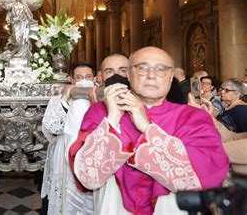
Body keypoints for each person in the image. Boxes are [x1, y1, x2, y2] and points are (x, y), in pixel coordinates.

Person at [69, 46, 229, 214]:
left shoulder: (193, 117)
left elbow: (205, 176)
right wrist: (113, 118)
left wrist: (146, 126)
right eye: (142, 68)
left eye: (161, 69)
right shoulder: (100, 112)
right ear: (129, 74)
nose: (151, 75)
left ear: (170, 78)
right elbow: (88, 177)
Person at [41, 62, 95, 215]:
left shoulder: (99, 97)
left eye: (88, 77)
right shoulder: (58, 99)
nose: (84, 81)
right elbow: (51, 128)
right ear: (71, 80)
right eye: (79, 77)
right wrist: (65, 97)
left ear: (95, 78)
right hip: (63, 154)